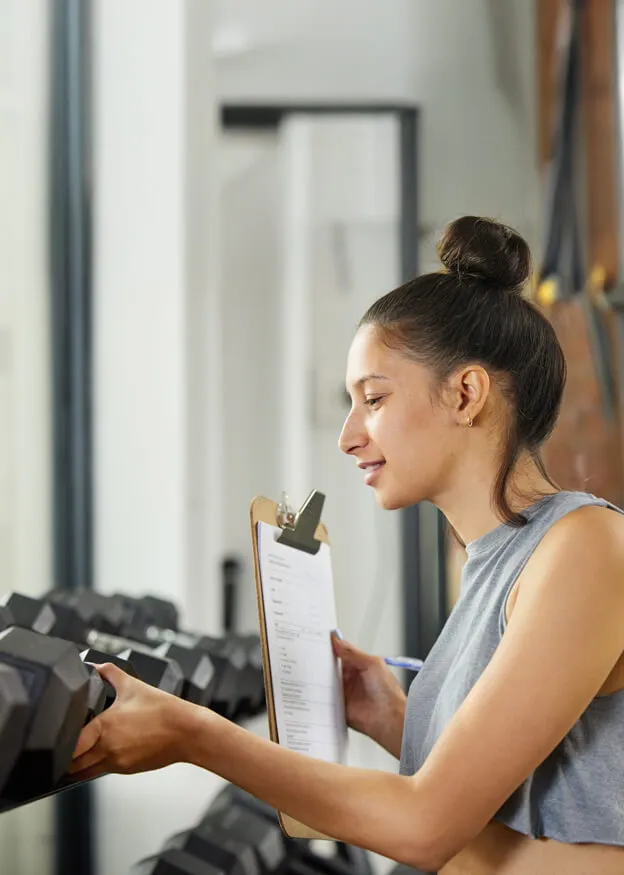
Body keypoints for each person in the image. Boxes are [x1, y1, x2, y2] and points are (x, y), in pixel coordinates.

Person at [69, 216, 624, 874]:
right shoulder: (495, 560)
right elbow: (518, 785)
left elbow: (426, 824)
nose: (349, 436)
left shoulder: (584, 546)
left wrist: (194, 732)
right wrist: (396, 716)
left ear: (466, 393)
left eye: (374, 399)